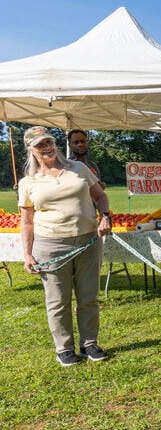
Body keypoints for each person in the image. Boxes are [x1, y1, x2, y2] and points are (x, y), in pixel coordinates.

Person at [18, 126, 112, 366]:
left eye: (49, 141)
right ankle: (64, 348)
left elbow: (100, 196)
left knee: (88, 297)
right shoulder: (28, 182)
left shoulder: (79, 169)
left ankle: (89, 343)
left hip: (88, 241)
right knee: (58, 301)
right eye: (40, 144)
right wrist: (27, 254)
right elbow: (27, 221)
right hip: (50, 245)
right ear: (31, 150)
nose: (47, 147)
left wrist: (104, 216)